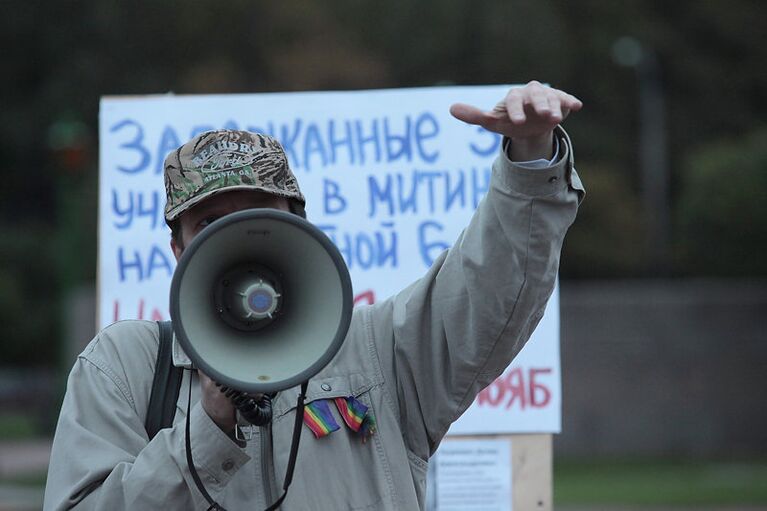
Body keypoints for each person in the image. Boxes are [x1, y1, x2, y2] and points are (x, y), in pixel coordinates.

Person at [44, 80, 584, 510]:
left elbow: (488, 293)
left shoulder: (378, 351)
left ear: (297, 225)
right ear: (178, 248)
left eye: (256, 212)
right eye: (209, 222)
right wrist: (205, 430)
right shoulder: (125, 366)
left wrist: (530, 160)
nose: (232, 238)